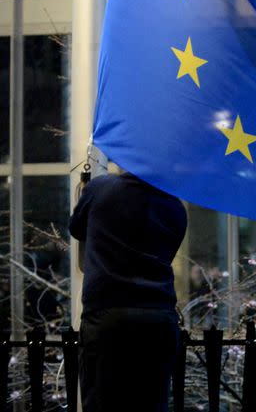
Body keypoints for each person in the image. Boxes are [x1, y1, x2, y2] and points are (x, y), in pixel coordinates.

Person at [68, 167, 187, 412]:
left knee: (103, 402)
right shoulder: (175, 206)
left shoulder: (100, 188)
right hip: (158, 317)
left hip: (108, 314)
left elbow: (76, 228)